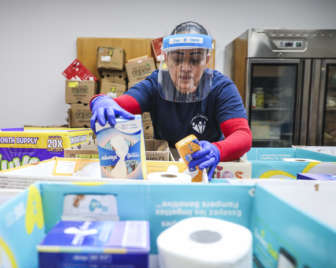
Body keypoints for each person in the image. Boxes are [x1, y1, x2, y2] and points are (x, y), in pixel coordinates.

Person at [89, 21, 252, 179]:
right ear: (166, 58)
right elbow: (124, 104)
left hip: (207, 162)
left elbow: (242, 135)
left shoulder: (221, 87)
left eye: (195, 60)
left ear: (206, 60)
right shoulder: (155, 84)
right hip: (167, 166)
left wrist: (217, 150)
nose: (185, 68)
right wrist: (100, 101)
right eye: (177, 58)